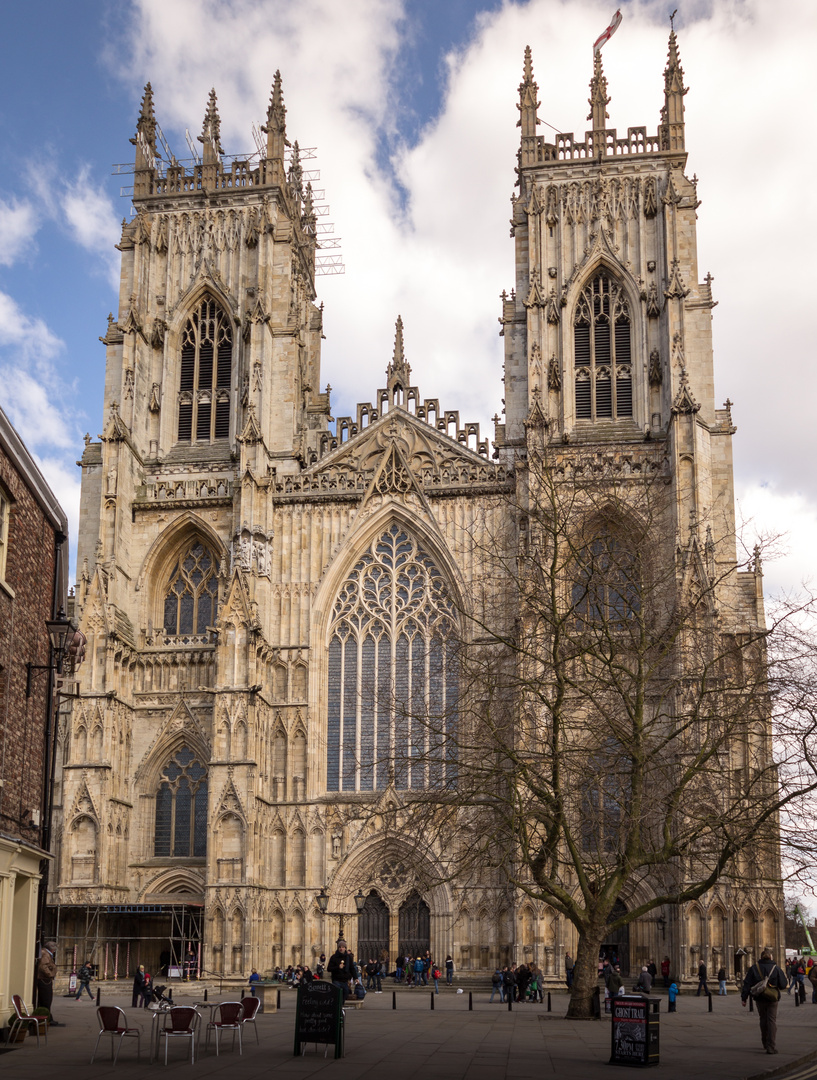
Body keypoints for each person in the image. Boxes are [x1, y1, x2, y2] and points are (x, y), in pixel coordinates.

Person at [741, 949, 787, 1055]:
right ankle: (771, 1046)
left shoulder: (754, 968)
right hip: (772, 998)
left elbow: (747, 983)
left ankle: (765, 1042)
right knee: (771, 1021)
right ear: (771, 957)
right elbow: (783, 984)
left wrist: (744, 998)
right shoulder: (776, 968)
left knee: (763, 1019)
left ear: (761, 957)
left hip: (760, 997)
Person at [36, 941, 59, 1025]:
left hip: (45, 979)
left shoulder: (46, 953)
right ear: (52, 948)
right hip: (44, 979)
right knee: (46, 999)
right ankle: (47, 1018)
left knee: (46, 999)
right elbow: (43, 966)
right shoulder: (45, 954)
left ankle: (47, 1017)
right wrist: (50, 974)